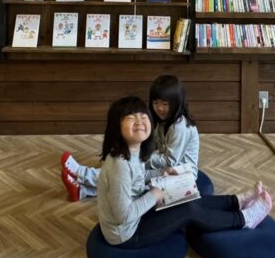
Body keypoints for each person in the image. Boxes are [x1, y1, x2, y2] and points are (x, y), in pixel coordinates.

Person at [96, 96, 272, 247]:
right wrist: (154, 195)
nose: (140, 121)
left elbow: (137, 179)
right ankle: (244, 220)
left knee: (186, 196)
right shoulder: (119, 165)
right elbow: (123, 216)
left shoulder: (134, 151)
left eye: (143, 116)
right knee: (188, 210)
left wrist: (161, 173)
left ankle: (237, 201)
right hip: (126, 234)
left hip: (137, 215)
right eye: (131, 117)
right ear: (116, 126)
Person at [60, 73, 198, 201]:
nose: (159, 108)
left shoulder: (180, 127)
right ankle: (82, 190)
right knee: (130, 172)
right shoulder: (163, 120)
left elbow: (170, 161)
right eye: (156, 103)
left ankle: (80, 173)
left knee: (131, 173)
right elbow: (155, 145)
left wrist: (141, 157)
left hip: (181, 175)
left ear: (176, 103)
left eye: (165, 104)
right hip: (165, 168)